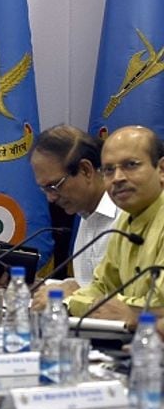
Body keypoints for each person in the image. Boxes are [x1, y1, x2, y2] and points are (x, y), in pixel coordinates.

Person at [67, 126, 164, 322]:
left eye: (131, 165)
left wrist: (128, 312)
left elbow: (157, 305)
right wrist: (93, 305)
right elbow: (100, 287)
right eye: (109, 170)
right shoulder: (125, 222)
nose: (117, 178)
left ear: (161, 170)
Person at [29, 125, 118, 311]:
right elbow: (88, 285)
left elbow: (125, 301)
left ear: (86, 170)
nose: (51, 198)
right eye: (44, 189)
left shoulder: (127, 216)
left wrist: (65, 297)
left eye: (54, 186)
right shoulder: (85, 213)